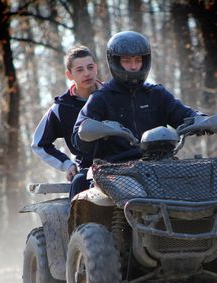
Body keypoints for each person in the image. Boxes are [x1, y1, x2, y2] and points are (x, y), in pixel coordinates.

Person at [72, 31, 207, 164]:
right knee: (80, 181)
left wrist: (201, 120)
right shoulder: (101, 98)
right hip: (116, 172)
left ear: (145, 60)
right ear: (114, 61)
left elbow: (185, 114)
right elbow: (78, 137)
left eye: (138, 60)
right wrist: (90, 132)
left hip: (160, 166)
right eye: (126, 60)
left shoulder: (157, 94)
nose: (133, 66)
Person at [32, 45, 102, 195]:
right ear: (69, 75)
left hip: (124, 164)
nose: (87, 73)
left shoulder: (113, 96)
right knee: (78, 183)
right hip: (89, 171)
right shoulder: (61, 108)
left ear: (96, 68)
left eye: (90, 67)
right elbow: (39, 144)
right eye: (80, 70)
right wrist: (66, 164)